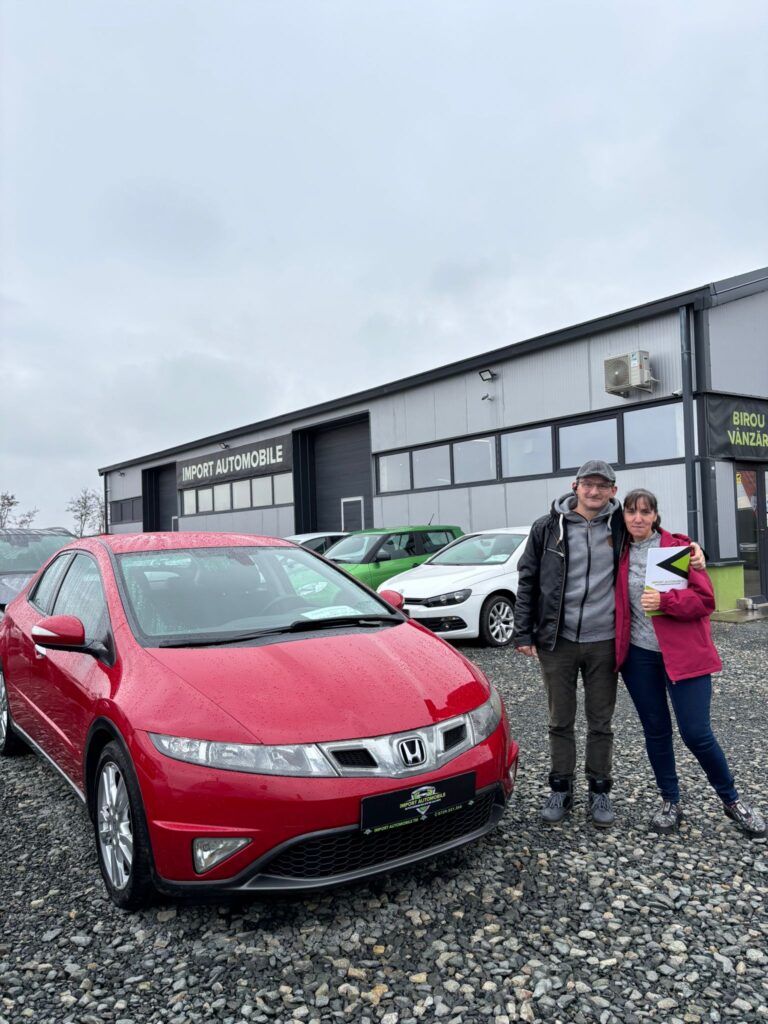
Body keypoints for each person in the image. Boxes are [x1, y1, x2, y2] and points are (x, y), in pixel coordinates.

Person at [512, 459, 704, 827]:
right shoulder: (546, 527)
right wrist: (523, 632)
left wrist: (695, 549)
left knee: (601, 722)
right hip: (557, 640)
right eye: (588, 484)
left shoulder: (620, 523)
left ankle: (600, 790)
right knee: (559, 719)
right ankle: (561, 788)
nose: (594, 491)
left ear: (613, 491)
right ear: (575, 486)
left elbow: (660, 537)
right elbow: (528, 579)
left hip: (605, 640)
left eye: (603, 485)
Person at [615, 488, 765, 837]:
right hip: (639, 657)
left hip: (684, 655)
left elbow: (705, 600)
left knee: (697, 733)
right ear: (622, 515)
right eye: (631, 511)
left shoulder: (678, 549)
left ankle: (732, 801)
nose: (638, 518)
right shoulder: (616, 553)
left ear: (655, 516)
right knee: (656, 731)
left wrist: (666, 601)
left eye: (645, 511)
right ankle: (670, 801)